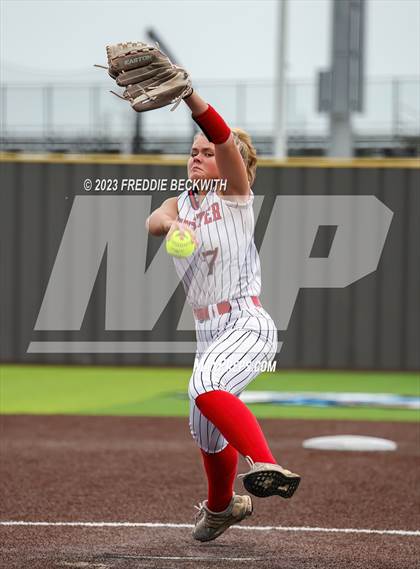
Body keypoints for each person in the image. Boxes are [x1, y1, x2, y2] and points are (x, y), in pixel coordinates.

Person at [146, 90, 300, 542]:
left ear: (231, 162)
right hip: (208, 334)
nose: (197, 157)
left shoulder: (235, 194)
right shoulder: (183, 203)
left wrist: (191, 97)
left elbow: (222, 137)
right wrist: (171, 224)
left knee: (205, 387)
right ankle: (221, 507)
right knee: (206, 431)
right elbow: (154, 218)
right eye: (192, 152)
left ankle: (265, 461)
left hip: (247, 323)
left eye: (207, 153)